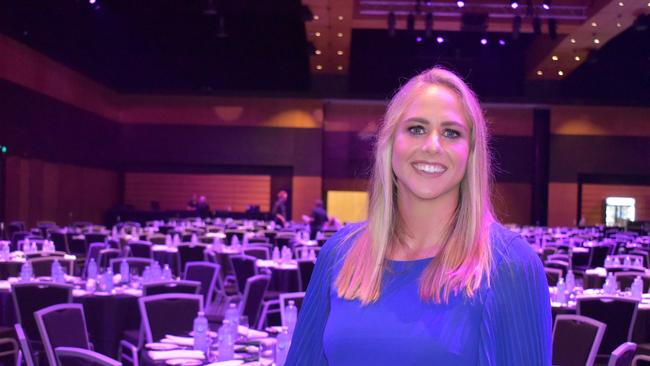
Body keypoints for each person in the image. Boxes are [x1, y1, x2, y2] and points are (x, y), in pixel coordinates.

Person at [286, 67, 551, 365]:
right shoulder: (339, 253)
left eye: (451, 133)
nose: (432, 146)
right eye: (416, 129)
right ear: (389, 143)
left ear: (471, 153)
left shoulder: (509, 264)